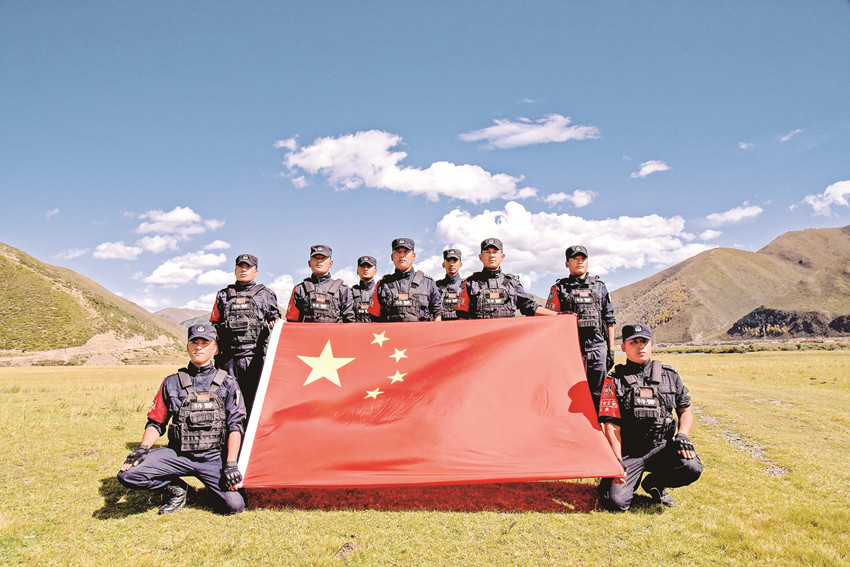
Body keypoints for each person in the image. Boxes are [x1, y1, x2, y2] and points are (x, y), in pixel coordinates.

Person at [118, 324, 247, 515]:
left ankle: (212, 488)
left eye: (205, 343)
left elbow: (235, 426)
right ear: (187, 347)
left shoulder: (228, 384)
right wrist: (142, 448)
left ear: (215, 349)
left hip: (212, 457)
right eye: (194, 342)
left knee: (234, 506)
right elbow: (156, 422)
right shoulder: (171, 382)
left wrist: (231, 464)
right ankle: (178, 490)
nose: (199, 347)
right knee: (128, 474)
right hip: (178, 455)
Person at [597, 323, 703, 511]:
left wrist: (683, 436)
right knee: (615, 503)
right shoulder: (614, 380)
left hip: (661, 448)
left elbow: (685, 410)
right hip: (630, 452)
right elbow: (612, 425)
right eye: (633, 342)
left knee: (691, 467)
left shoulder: (669, 375)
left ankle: (655, 484)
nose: (640, 346)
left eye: (644, 341)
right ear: (624, 347)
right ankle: (613, 481)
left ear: (651, 345)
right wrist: (617, 460)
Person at [546, 245, 616, 410]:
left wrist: (611, 351)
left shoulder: (600, 287)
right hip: (571, 351)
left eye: (582, 259)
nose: (579, 262)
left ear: (587, 261)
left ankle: (597, 425)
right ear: (567, 263)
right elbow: (549, 321)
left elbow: (609, 320)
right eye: (575, 259)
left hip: (597, 349)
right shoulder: (559, 288)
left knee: (598, 394)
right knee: (569, 394)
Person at [209, 254, 280, 418]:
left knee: (255, 401)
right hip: (228, 359)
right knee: (227, 399)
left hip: (255, 358)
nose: (244, 270)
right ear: (235, 270)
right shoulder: (223, 295)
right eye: (241, 266)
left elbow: (275, 321)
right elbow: (214, 325)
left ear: (256, 271)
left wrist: (273, 323)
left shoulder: (266, 295)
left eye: (248, 267)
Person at [455, 238, 556, 319]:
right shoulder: (470, 283)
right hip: (480, 337)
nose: (491, 255)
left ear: (502, 256)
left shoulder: (512, 283)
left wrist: (559, 316)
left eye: (495, 252)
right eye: (487, 252)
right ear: (480, 257)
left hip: (506, 338)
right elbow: (461, 316)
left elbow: (531, 308)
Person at [368, 238, 442, 322]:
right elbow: (374, 317)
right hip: (391, 330)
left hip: (420, 330)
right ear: (392, 257)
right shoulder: (383, 285)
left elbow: (437, 315)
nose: (402, 255)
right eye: (398, 252)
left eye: (406, 251)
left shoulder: (428, 284)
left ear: (414, 256)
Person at [286, 244, 355, 323]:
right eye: (315, 258)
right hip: (307, 331)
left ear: (331, 263)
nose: (319, 261)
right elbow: (291, 322)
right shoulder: (300, 289)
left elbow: (350, 322)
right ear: (309, 263)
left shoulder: (343, 290)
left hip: (335, 331)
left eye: (323, 258)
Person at [435, 248, 463, 321]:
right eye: (448, 260)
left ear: (460, 264)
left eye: (455, 261)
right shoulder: (435, 286)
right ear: (443, 264)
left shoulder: (467, 285)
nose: (451, 264)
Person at [351, 255, 378, 322]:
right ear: (357, 271)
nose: (366, 269)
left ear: (375, 271)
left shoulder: (380, 291)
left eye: (369, 266)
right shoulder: (350, 292)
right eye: (362, 266)